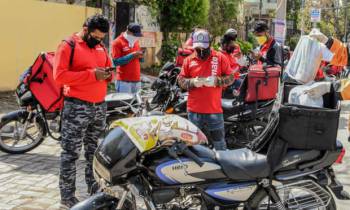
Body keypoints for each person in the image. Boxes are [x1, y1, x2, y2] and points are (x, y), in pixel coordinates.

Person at [53, 14, 111, 208]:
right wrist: (92, 75)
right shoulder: (68, 45)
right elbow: (59, 75)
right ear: (85, 30)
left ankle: (94, 189)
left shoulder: (101, 47)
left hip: (99, 107)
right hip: (77, 107)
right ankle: (67, 197)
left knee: (94, 153)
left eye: (102, 38)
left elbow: (106, 68)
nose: (99, 40)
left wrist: (109, 74)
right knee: (70, 153)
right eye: (95, 36)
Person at [177, 30, 235, 150]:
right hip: (194, 112)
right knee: (193, 146)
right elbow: (181, 81)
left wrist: (216, 81)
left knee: (220, 145)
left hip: (214, 111)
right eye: (198, 48)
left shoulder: (220, 58)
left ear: (210, 44)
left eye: (204, 47)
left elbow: (230, 78)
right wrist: (192, 82)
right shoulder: (189, 60)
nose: (201, 51)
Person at [112, 23, 144, 93]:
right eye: (135, 35)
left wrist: (141, 57)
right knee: (125, 103)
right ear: (129, 32)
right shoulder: (117, 42)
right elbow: (116, 62)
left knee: (136, 104)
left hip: (137, 80)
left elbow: (137, 60)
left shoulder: (135, 41)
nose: (136, 37)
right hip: (124, 82)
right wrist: (132, 55)